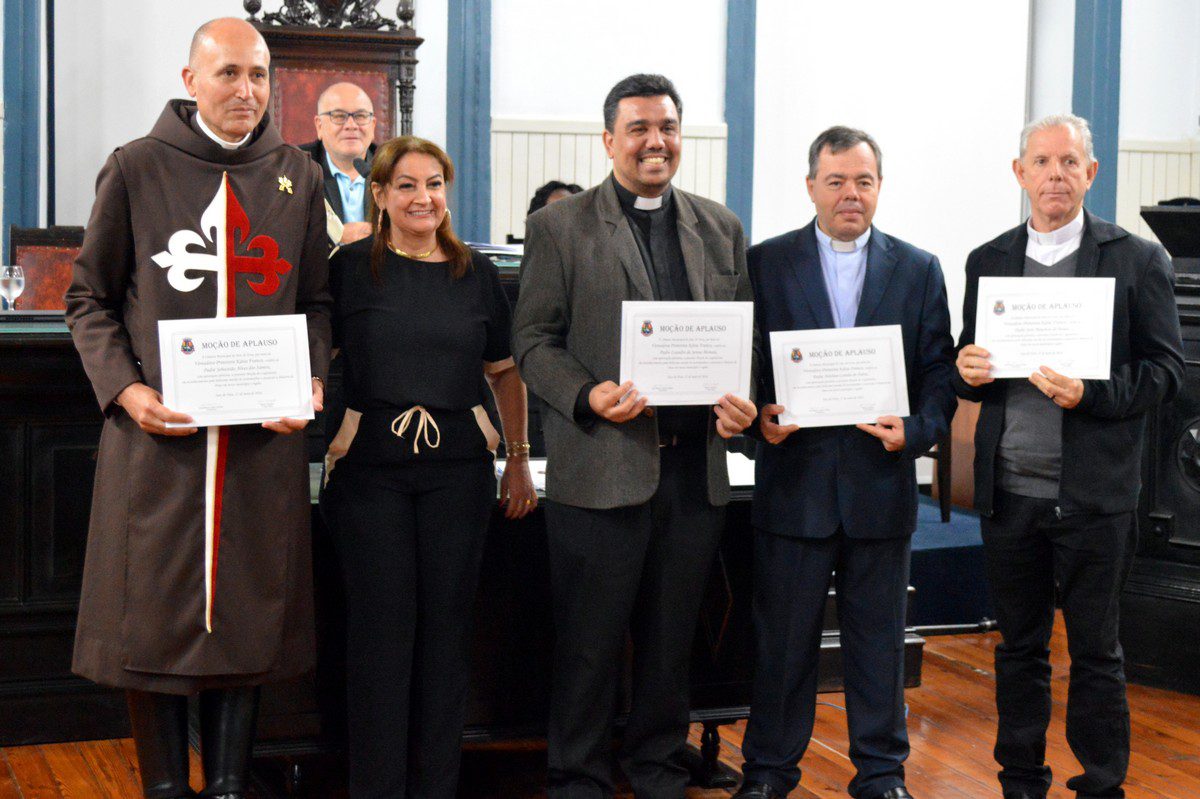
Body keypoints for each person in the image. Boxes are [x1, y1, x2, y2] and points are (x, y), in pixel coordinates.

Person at [64, 17, 331, 799]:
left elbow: (316, 300)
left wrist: (310, 381)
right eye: (229, 74)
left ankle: (227, 786)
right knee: (155, 614)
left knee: (246, 611)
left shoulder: (297, 175)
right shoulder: (137, 167)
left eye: (259, 74)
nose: (247, 90)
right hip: (161, 445)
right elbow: (88, 298)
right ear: (190, 80)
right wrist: (127, 390)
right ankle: (163, 787)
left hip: (258, 446)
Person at [512, 73, 757, 799]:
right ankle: (578, 778)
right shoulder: (561, 227)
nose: (656, 141)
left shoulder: (720, 227)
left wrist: (740, 402)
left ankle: (657, 772)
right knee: (588, 647)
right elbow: (532, 341)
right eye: (640, 128)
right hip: (600, 470)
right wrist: (587, 394)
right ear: (609, 140)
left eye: (668, 127)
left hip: (693, 476)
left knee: (671, 643)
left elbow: (742, 338)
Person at [953, 114, 1184, 799]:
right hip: (1010, 492)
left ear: (1091, 173)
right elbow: (973, 360)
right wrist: (966, 368)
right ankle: (1021, 780)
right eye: (1042, 162)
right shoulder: (988, 259)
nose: (1055, 174)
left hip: (1095, 496)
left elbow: (1166, 373)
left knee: (1096, 653)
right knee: (1018, 650)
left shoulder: (1138, 259)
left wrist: (1092, 393)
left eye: (1069, 162)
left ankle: (1102, 784)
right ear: (1019, 173)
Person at [735, 126, 956, 799]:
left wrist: (914, 431)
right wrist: (758, 419)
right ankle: (768, 773)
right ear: (811, 187)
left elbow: (939, 373)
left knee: (879, 646)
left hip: (879, 487)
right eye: (836, 181)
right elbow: (743, 364)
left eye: (863, 181)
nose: (850, 194)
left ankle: (882, 776)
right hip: (793, 486)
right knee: (783, 647)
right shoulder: (764, 263)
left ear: (879, 187)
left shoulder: (918, 268)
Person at [322, 135, 538, 798]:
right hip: (370, 474)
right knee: (380, 637)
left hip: (458, 473)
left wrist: (519, 459)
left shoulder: (477, 273)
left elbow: (505, 373)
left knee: (447, 636)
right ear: (380, 195)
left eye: (435, 184)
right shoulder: (349, 267)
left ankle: (436, 787)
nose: (424, 198)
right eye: (407, 185)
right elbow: (316, 355)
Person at [300, 81, 377, 245]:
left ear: (373, 126)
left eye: (361, 116)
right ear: (319, 126)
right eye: (339, 116)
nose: (351, 125)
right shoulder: (297, 167)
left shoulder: (393, 166)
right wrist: (335, 235)